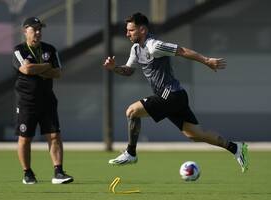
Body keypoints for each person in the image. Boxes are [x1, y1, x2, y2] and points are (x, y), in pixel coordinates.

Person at [103, 12, 249, 173]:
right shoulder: (136, 49)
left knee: (132, 111)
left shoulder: (154, 45)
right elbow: (129, 71)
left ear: (142, 30)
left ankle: (131, 153)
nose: (127, 33)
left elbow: (181, 50)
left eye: (131, 30)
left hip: (171, 94)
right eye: (127, 30)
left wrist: (207, 61)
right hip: (175, 97)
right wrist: (114, 68)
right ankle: (236, 147)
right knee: (196, 135)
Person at [12, 17, 74, 184]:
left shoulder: (50, 49)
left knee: (54, 135)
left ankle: (58, 172)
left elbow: (58, 73)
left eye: (40, 29)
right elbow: (25, 69)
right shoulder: (19, 50)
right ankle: (27, 173)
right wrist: (46, 66)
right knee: (25, 138)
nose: (38, 32)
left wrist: (35, 69)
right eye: (34, 29)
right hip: (26, 102)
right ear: (25, 31)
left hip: (47, 100)